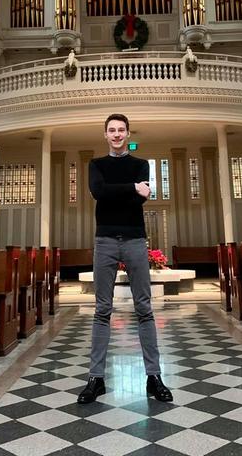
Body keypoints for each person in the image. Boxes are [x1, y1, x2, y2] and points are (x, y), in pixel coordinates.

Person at [77, 113, 172, 404]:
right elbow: (98, 191)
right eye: (112, 130)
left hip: (134, 240)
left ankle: (154, 377)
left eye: (121, 130)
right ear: (105, 135)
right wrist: (131, 188)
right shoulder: (96, 165)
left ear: (128, 134)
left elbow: (137, 198)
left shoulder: (140, 164)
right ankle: (96, 379)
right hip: (104, 240)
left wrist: (119, 193)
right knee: (101, 309)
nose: (117, 134)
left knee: (144, 308)